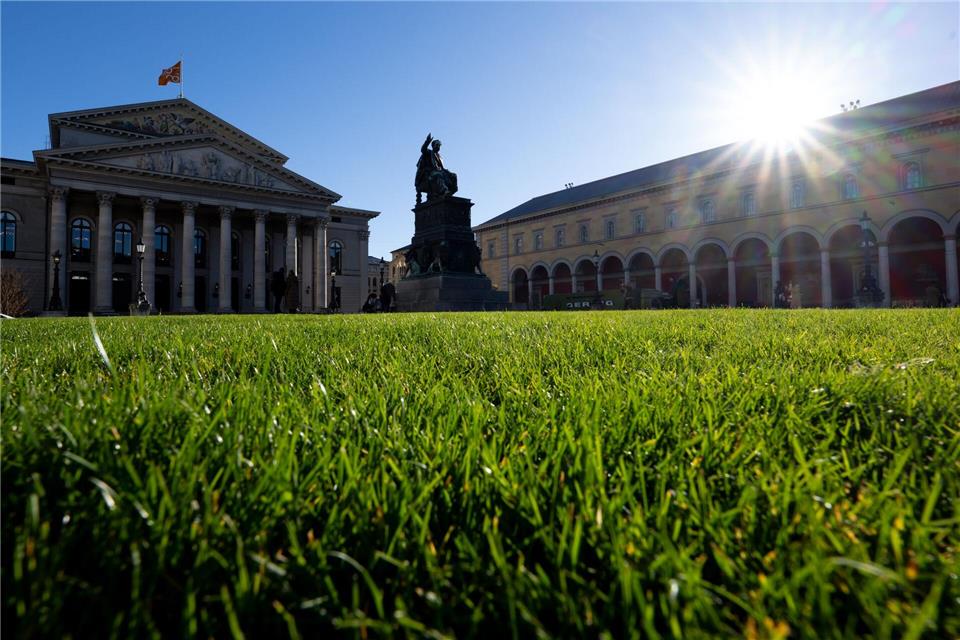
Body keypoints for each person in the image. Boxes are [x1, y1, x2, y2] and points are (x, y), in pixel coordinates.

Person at [415, 133, 458, 203]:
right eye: (437, 145)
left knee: (453, 175)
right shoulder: (428, 152)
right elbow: (423, 150)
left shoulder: (439, 157)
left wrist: (447, 171)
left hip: (440, 171)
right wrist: (427, 141)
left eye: (439, 145)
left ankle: (452, 191)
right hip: (430, 173)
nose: (438, 147)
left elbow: (442, 167)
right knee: (438, 175)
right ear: (433, 146)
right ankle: (444, 191)